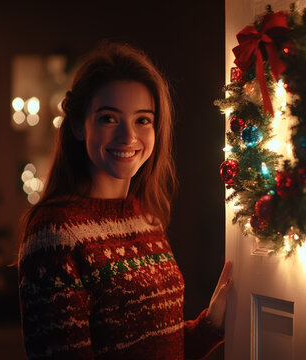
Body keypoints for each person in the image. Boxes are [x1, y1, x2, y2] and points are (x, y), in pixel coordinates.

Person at [18, 42, 233, 360]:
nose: (128, 137)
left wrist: (213, 322)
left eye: (142, 120)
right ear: (79, 125)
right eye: (109, 119)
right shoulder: (55, 233)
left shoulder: (146, 218)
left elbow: (160, 349)